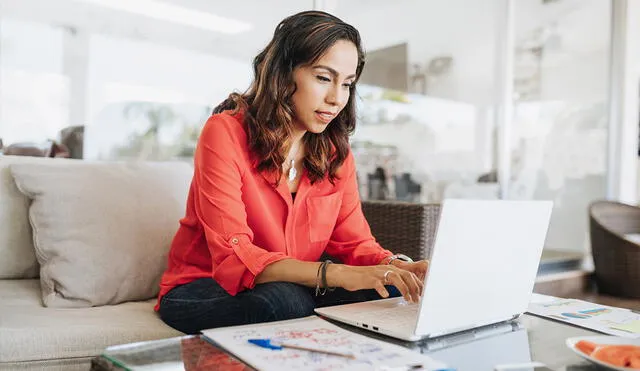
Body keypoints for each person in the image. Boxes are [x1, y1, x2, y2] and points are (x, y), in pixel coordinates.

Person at [156, 10, 428, 335]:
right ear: (285, 74)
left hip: (295, 285)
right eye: (324, 78)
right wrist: (338, 275)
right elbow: (235, 255)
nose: (336, 98)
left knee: (395, 289)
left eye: (347, 84)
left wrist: (396, 267)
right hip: (202, 287)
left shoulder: (334, 153)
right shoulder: (224, 132)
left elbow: (355, 244)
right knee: (285, 302)